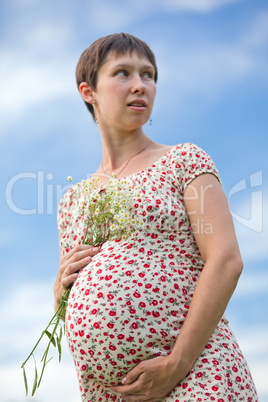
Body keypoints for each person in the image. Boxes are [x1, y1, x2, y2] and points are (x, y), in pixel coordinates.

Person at [54, 33, 258, 402]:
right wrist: (60, 295)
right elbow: (70, 309)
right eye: (123, 73)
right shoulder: (72, 201)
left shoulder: (184, 161)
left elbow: (226, 260)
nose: (140, 86)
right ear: (89, 92)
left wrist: (176, 363)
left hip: (195, 374)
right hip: (112, 394)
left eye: (148, 75)